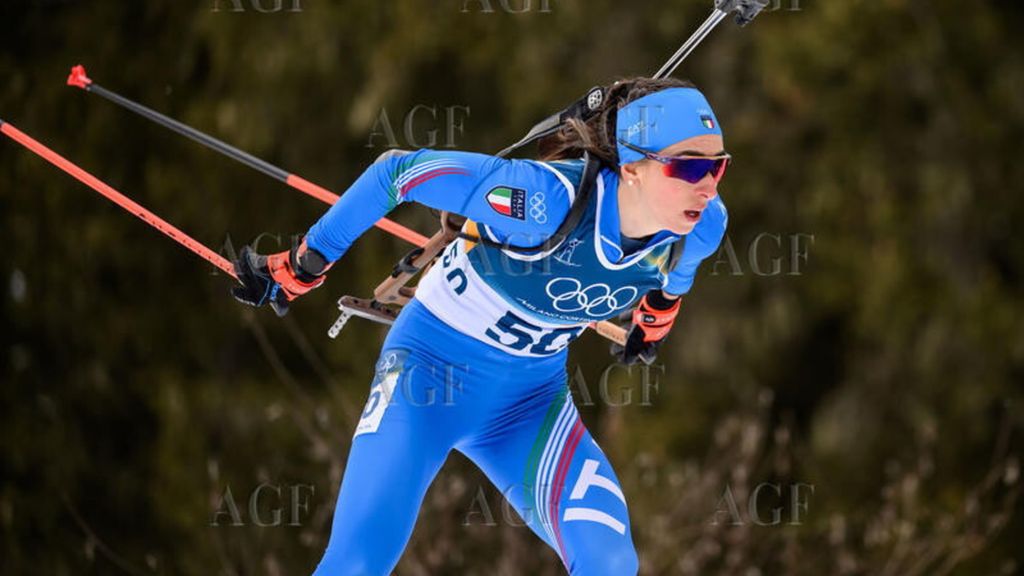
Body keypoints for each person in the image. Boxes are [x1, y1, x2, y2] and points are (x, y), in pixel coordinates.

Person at [231, 77, 730, 576]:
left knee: (611, 563)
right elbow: (397, 172)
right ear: (634, 167)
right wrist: (305, 263)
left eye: (717, 167)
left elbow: (673, 283)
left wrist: (655, 320)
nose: (706, 184)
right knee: (357, 563)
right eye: (688, 166)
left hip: (530, 407)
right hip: (424, 383)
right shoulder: (543, 202)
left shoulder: (701, 226)